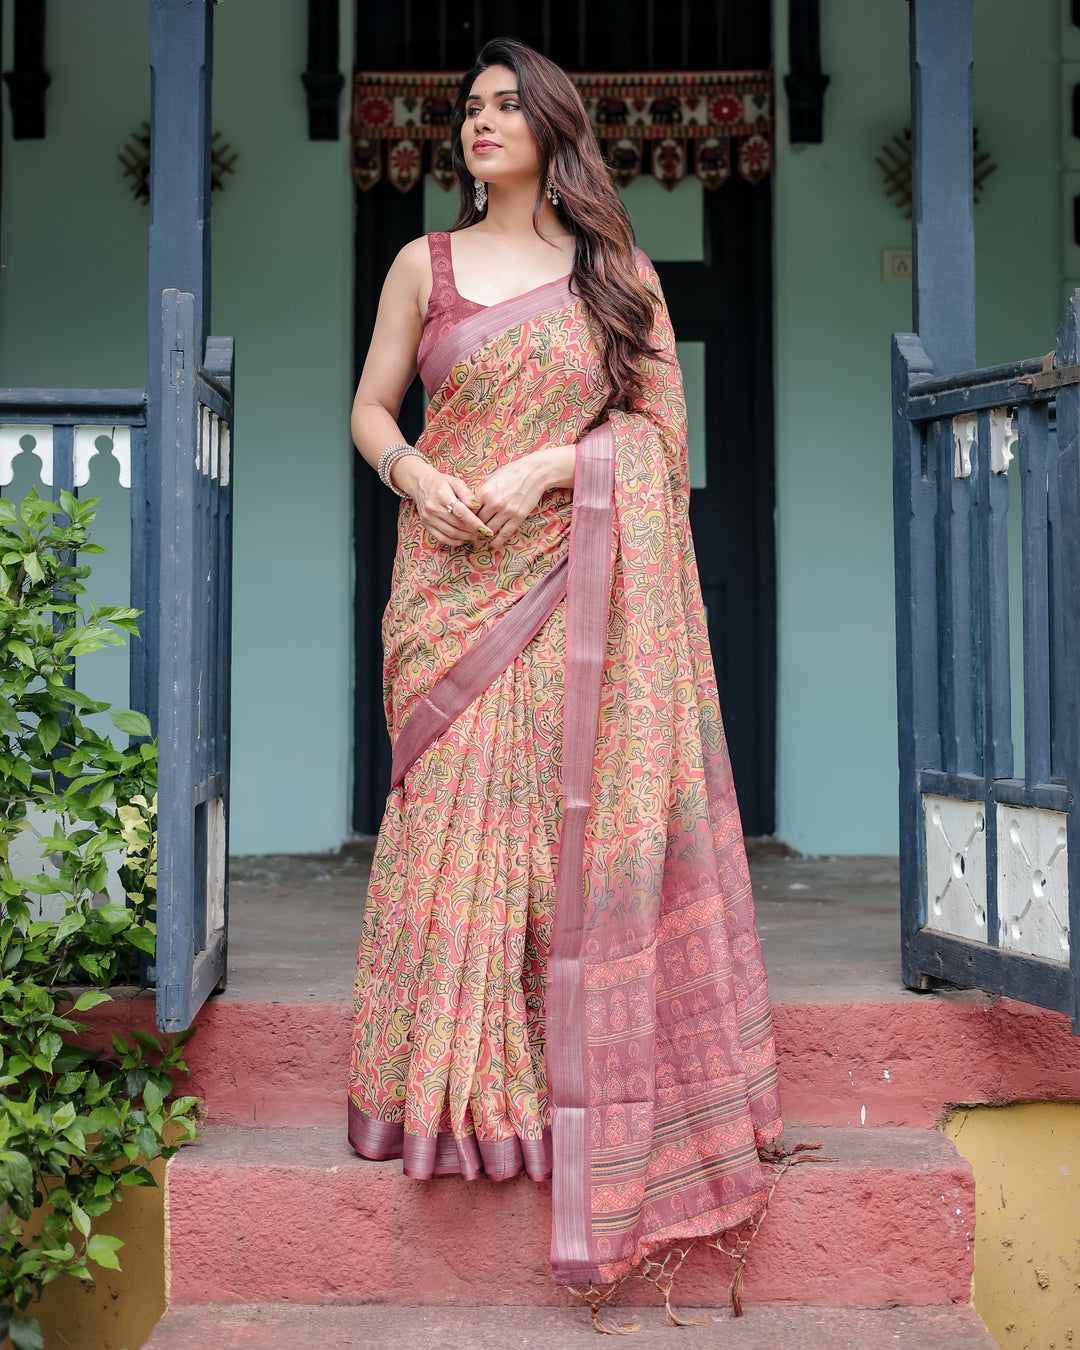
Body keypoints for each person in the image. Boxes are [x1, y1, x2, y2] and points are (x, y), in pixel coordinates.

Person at [347, 35, 782, 1302]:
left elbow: (659, 435)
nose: (479, 124)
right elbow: (372, 407)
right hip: (446, 585)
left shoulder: (617, 279)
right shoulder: (420, 267)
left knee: (547, 840)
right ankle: (440, 1097)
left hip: (566, 584)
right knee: (445, 828)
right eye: (468, 109)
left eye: (502, 107)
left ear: (552, 126)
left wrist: (555, 468)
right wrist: (418, 473)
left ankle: (543, 1096)